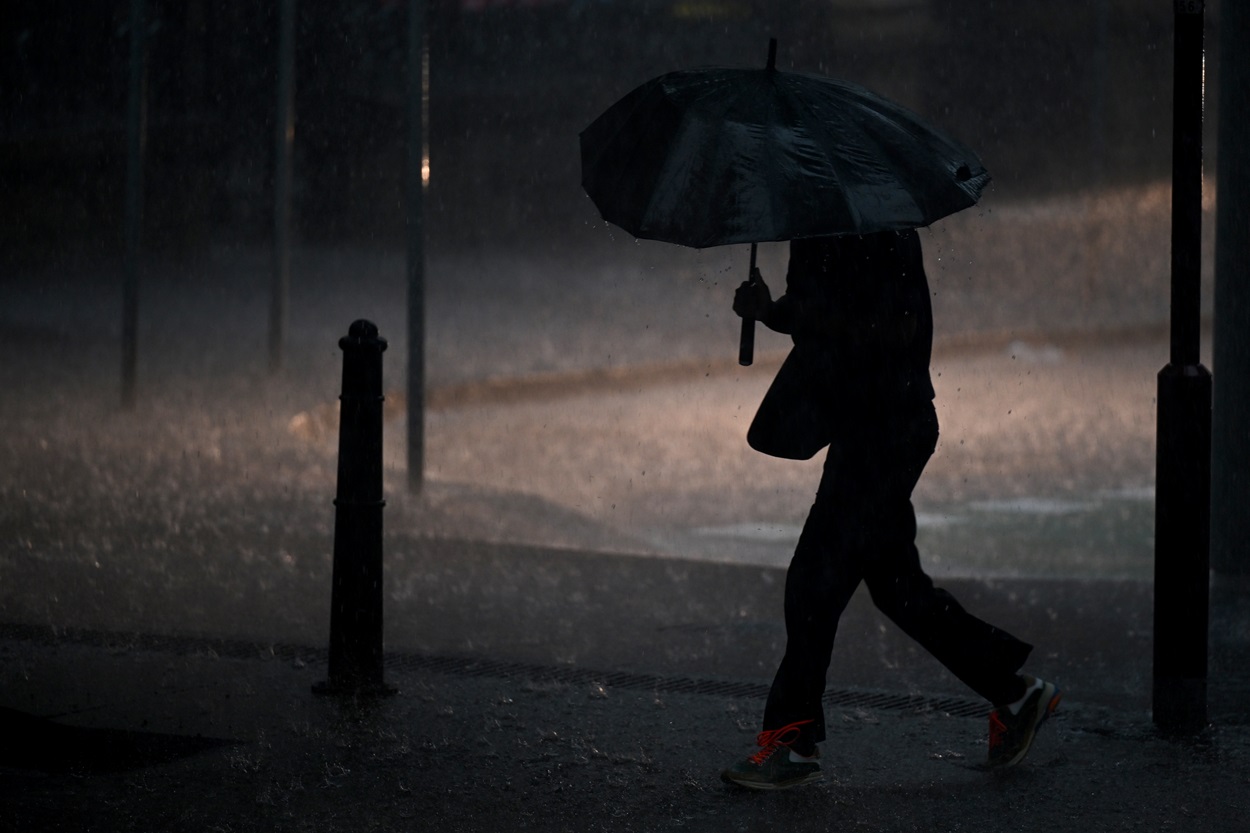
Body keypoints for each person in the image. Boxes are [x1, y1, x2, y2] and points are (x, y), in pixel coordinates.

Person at [720, 230, 1060, 791]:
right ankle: (1016, 692)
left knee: (813, 584)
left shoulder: (855, 226)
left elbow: (862, 325)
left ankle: (793, 741)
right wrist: (774, 311)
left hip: (882, 431)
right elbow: (837, 317)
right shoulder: (855, 218)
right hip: (880, 425)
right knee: (898, 589)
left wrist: (787, 312)